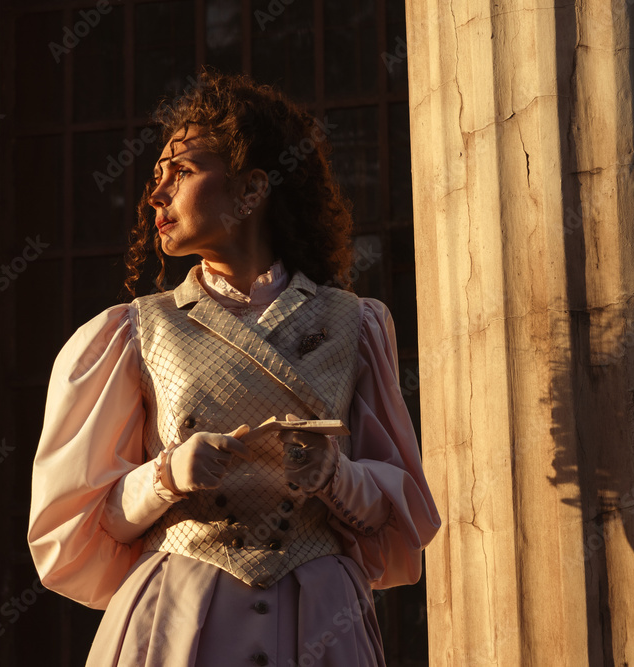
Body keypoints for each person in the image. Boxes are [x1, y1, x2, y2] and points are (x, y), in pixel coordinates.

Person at [27, 70, 440, 667]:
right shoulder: (132, 332)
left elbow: (402, 513)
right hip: (177, 621)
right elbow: (78, 524)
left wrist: (336, 475)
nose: (156, 194)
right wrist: (165, 476)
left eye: (182, 172)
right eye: (155, 178)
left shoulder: (357, 325)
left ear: (251, 190)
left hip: (320, 618)